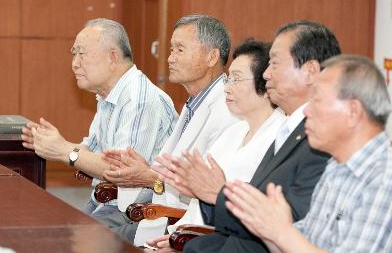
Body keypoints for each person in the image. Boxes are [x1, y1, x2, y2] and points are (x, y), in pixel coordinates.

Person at [163, 20, 342, 253]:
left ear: (309, 71)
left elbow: (288, 227)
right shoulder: (291, 130)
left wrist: (218, 193)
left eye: (275, 64)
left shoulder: (320, 140)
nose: (266, 74)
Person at [225, 55, 392, 253]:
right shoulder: (335, 167)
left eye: (317, 101)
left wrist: (281, 232)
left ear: (353, 111)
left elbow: (289, 239)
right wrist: (267, 227)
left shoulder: (384, 179)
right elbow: (300, 243)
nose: (307, 112)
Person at [96, 14, 238, 242]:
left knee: (91, 241)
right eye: (171, 50)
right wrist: (146, 169)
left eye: (179, 50)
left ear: (212, 56)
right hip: (154, 213)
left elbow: (206, 190)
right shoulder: (194, 103)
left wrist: (150, 177)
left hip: (178, 227)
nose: (170, 58)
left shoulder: (228, 111)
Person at [21, 18, 178, 217]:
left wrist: (64, 151)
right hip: (107, 201)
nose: (75, 64)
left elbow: (120, 171)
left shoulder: (139, 100)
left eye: (82, 54)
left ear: (112, 57)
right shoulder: (108, 94)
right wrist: (53, 144)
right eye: (74, 54)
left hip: (137, 212)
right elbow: (93, 150)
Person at [146, 38, 286, 250]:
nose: (227, 89)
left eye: (236, 80)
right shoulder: (233, 132)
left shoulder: (279, 138)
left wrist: (183, 243)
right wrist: (176, 236)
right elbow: (197, 204)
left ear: (266, 84)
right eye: (228, 79)